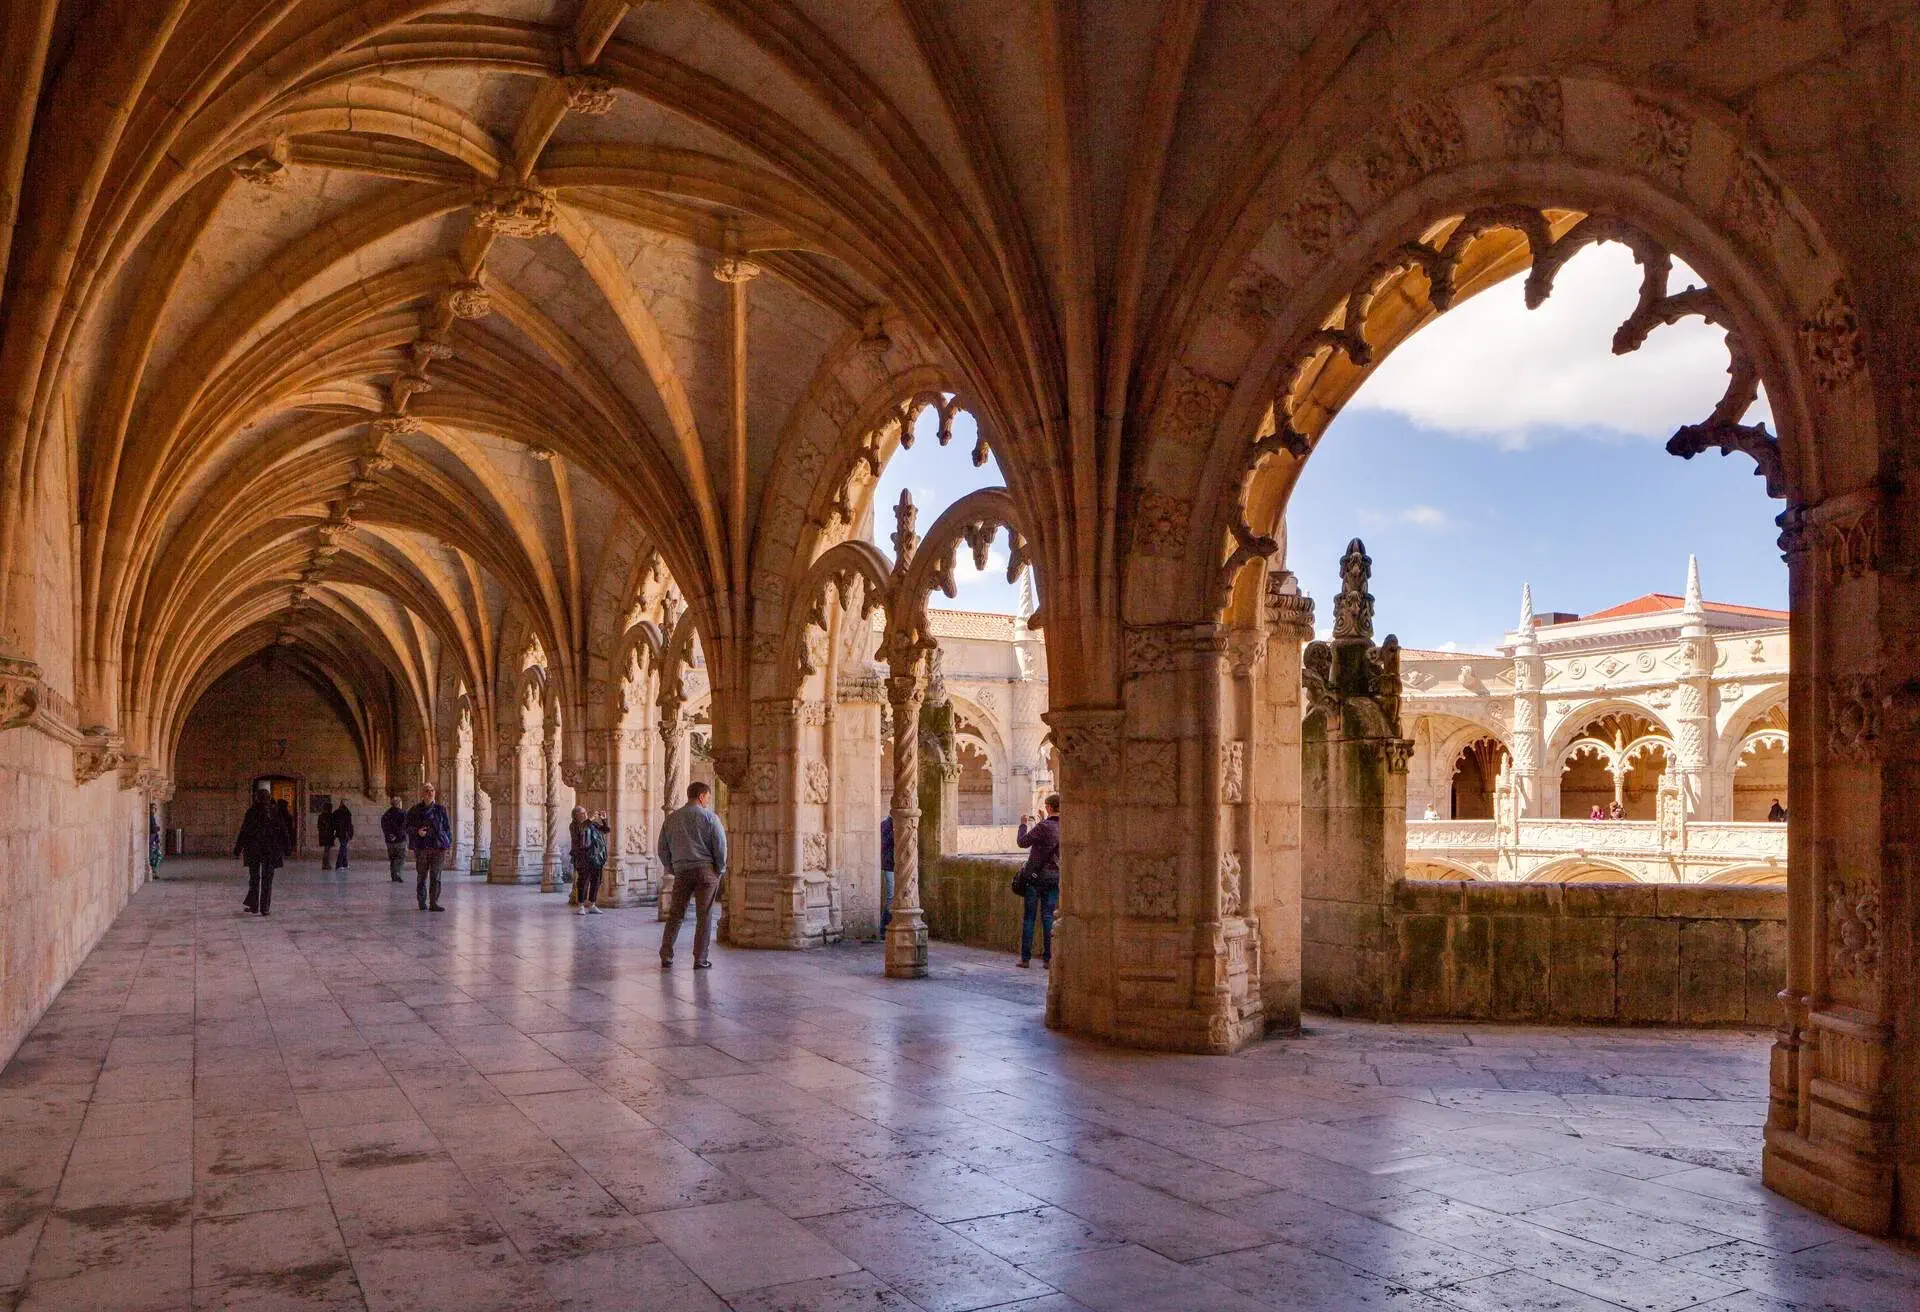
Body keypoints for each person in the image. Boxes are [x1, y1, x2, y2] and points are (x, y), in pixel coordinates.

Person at [658, 781, 727, 968]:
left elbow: (662, 849)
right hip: (706, 871)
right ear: (702, 796)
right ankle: (700, 958)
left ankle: (666, 954)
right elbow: (720, 846)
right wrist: (719, 868)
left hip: (682, 871)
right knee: (704, 916)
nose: (707, 801)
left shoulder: (671, 819)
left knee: (676, 914)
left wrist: (673, 867)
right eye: (708, 798)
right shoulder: (710, 818)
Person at [1014, 793, 1062, 969]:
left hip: (1035, 879)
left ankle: (1025, 959)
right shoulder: (1066, 826)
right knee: (1048, 917)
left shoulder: (1043, 827)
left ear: (1049, 807)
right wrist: (1043, 820)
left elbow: (1022, 842)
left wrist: (1023, 824)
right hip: (1055, 878)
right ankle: (1048, 958)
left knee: (1029, 918)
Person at [234, 788, 291, 915]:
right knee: (267, 879)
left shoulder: (252, 812)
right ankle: (264, 908)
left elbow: (244, 832)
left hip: (254, 850)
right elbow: (283, 831)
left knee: (254, 878)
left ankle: (254, 906)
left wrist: (238, 849)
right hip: (270, 850)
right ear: (268, 798)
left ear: (257, 798)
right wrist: (287, 848)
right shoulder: (274, 812)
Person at [405, 782, 452, 911]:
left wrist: (447, 843)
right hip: (422, 848)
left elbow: (447, 828)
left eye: (432, 790)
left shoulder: (440, 810)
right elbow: (406, 827)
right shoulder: (415, 810)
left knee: (436, 876)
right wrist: (417, 832)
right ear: (422, 794)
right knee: (422, 876)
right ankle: (421, 901)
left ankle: (434, 902)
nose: (430, 793)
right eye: (427, 791)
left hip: (438, 848)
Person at [569, 806, 611, 915]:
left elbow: (606, 830)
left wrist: (603, 819)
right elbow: (580, 830)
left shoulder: (592, 824)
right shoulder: (574, 826)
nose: (585, 814)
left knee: (596, 881)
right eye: (582, 813)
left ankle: (592, 904)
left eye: (585, 812)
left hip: (596, 857)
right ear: (576, 816)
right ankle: (581, 906)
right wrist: (590, 819)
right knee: (583, 881)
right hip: (583, 857)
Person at [380, 795, 408, 882]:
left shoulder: (386, 814)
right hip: (400, 840)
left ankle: (394, 875)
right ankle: (397, 873)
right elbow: (404, 827)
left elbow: (384, 826)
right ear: (399, 804)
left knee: (393, 858)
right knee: (401, 857)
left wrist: (390, 835)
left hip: (389, 841)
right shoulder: (403, 813)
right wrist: (397, 836)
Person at [878, 814, 895, 937]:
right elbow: (884, 844)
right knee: (891, 897)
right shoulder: (885, 825)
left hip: (897, 865)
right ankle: (884, 928)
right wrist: (894, 831)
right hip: (889, 865)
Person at [330, 800, 355, 869]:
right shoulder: (347, 812)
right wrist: (349, 833)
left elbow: (334, 823)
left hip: (340, 833)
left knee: (344, 847)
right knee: (343, 847)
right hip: (345, 833)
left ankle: (345, 864)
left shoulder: (336, 812)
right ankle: (339, 865)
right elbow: (348, 825)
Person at [318, 801, 337, 869]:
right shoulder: (330, 816)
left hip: (323, 835)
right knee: (327, 850)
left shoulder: (321, 816)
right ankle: (325, 864)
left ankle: (326, 864)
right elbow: (333, 826)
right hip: (328, 835)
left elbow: (319, 826)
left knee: (326, 850)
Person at [148, 806, 163, 880]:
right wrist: (157, 828)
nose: (153, 810)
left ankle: (153, 872)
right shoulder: (151, 817)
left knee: (155, 856)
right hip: (152, 841)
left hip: (153, 840)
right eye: (152, 808)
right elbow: (153, 829)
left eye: (154, 808)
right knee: (155, 856)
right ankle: (153, 872)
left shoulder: (152, 817)